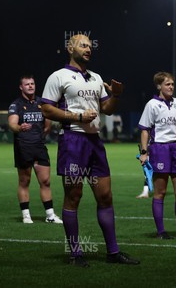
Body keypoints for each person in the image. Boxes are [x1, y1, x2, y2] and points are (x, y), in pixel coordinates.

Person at [41, 34, 139, 267]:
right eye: (83, 45)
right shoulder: (59, 76)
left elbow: (106, 109)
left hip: (95, 142)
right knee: (74, 196)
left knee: (105, 196)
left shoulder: (96, 78)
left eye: (90, 46)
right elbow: (46, 108)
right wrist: (77, 116)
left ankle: (113, 253)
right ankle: (76, 253)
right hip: (73, 141)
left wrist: (115, 95)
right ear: (70, 47)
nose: (88, 49)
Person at [138, 72, 176, 239]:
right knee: (160, 192)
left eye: (172, 84)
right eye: (167, 84)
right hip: (160, 150)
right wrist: (144, 152)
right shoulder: (152, 104)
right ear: (159, 86)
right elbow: (145, 130)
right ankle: (161, 232)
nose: (171, 87)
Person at [8, 75, 62, 224]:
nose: (31, 86)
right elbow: (12, 124)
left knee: (45, 181)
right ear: (21, 87)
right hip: (23, 147)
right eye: (27, 84)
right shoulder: (16, 105)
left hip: (39, 147)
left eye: (32, 83)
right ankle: (26, 215)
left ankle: (50, 215)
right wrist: (20, 128)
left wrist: (38, 137)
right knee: (24, 181)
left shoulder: (42, 103)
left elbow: (47, 126)